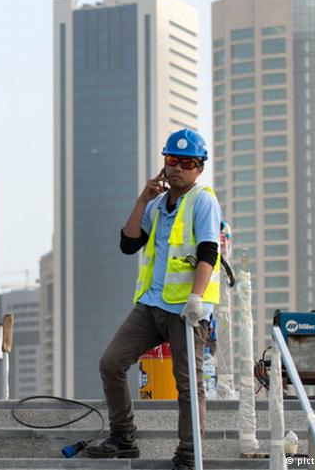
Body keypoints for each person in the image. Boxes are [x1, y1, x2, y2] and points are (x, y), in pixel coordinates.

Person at [85, 128, 222, 470]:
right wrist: (142, 199)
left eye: (186, 163)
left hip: (185, 311)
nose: (177, 168)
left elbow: (209, 251)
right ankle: (123, 437)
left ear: (199, 168)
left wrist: (196, 297)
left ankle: (190, 456)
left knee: (188, 386)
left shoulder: (203, 200)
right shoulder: (158, 205)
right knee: (111, 363)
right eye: (171, 160)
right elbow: (128, 243)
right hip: (152, 305)